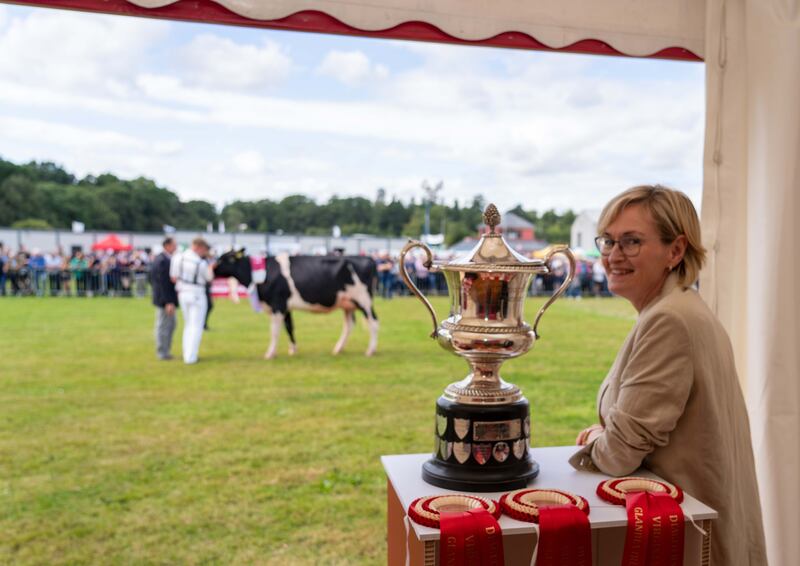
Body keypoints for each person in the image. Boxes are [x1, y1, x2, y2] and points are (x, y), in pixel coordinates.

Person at [570, 185, 767, 565]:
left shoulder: (669, 319)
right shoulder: (679, 308)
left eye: (630, 242)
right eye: (607, 241)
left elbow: (620, 454)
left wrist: (598, 440)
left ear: (675, 250)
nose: (613, 255)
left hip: (691, 543)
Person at [170, 238, 214, 364]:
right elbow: (209, 278)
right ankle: (191, 356)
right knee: (196, 326)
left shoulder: (178, 258)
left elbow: (173, 277)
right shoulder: (201, 263)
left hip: (182, 293)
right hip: (197, 294)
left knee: (188, 324)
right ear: (199, 247)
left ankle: (186, 353)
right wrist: (211, 268)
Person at [150, 237, 178, 361]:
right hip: (165, 300)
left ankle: (165, 350)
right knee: (164, 325)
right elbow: (163, 283)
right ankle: (162, 352)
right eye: (174, 245)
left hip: (165, 298)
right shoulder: (163, 260)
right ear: (167, 245)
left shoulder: (163, 259)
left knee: (170, 324)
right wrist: (168, 301)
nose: (176, 247)